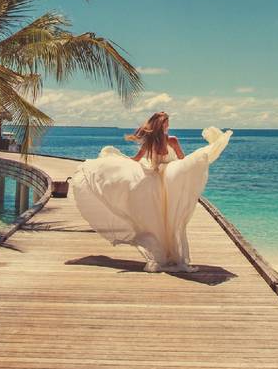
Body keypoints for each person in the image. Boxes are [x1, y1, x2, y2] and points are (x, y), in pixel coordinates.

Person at [70, 112, 232, 273]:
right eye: (167, 123)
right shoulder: (172, 140)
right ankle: (172, 254)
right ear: (164, 125)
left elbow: (136, 159)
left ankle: (162, 253)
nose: (168, 125)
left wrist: (118, 162)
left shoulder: (150, 141)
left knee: (157, 220)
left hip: (153, 181)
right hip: (169, 180)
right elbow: (182, 160)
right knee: (170, 218)